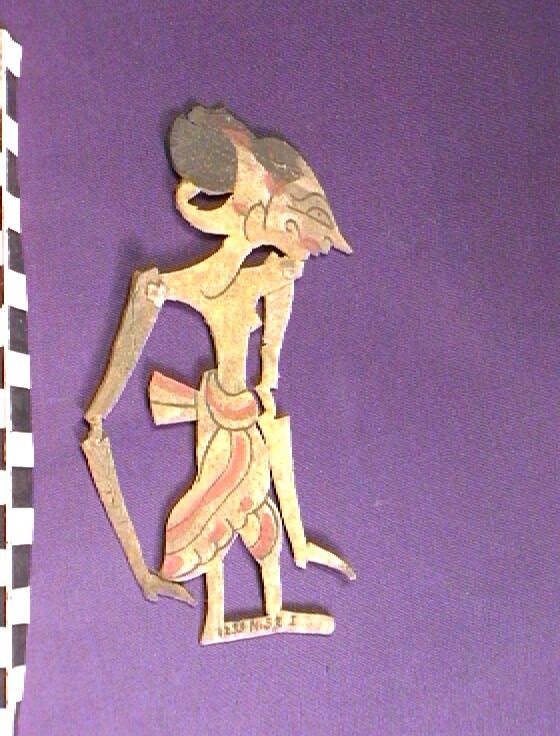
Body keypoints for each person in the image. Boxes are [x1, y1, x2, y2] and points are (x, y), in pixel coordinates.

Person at [83, 105, 354, 644]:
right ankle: (223, 608)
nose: (296, 254)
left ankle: (283, 570)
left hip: (245, 419)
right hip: (221, 422)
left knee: (262, 521)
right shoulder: (184, 284)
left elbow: (279, 303)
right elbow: (96, 425)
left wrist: (268, 374)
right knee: (226, 517)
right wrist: (142, 570)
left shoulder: (267, 278)